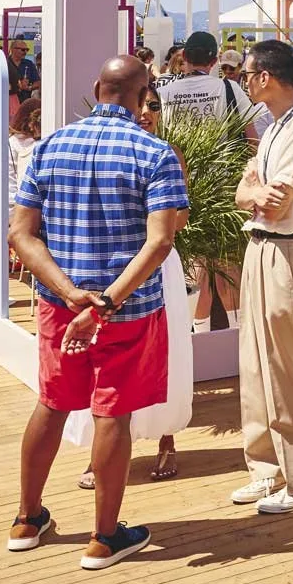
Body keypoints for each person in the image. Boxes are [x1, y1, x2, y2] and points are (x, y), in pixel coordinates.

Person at [6, 56, 187, 570]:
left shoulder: (49, 146)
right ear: (143, 94)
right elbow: (160, 242)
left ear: (95, 86)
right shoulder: (155, 154)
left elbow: (21, 234)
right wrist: (106, 302)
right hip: (126, 311)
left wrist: (69, 293)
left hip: (61, 308)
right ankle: (104, 537)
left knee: (51, 404)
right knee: (113, 413)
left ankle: (27, 518)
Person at [230, 39, 293, 516]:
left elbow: (276, 201)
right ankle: (268, 469)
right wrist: (255, 192)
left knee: (289, 366)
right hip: (263, 248)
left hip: (288, 252)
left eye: (248, 74)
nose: (245, 81)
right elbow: (245, 192)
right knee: (255, 363)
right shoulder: (277, 128)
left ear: (266, 77)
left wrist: (254, 192)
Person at [68, 82, 189, 487]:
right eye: (143, 104)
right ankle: (100, 450)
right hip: (108, 269)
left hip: (157, 266)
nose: (147, 112)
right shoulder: (106, 150)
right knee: (102, 362)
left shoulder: (168, 155)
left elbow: (179, 221)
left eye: (154, 106)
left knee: (165, 351)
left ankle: (166, 438)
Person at [159, 31, 256, 138]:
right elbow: (252, 139)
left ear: (184, 56)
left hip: (173, 155)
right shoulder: (231, 88)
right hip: (223, 154)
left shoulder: (162, 93)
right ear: (214, 61)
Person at [7, 40, 40, 108]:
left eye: (27, 50)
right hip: (9, 102)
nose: (25, 52)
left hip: (25, 102)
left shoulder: (29, 64)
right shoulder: (5, 63)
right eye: (22, 50)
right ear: (13, 49)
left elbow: (38, 82)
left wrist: (28, 88)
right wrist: (18, 85)